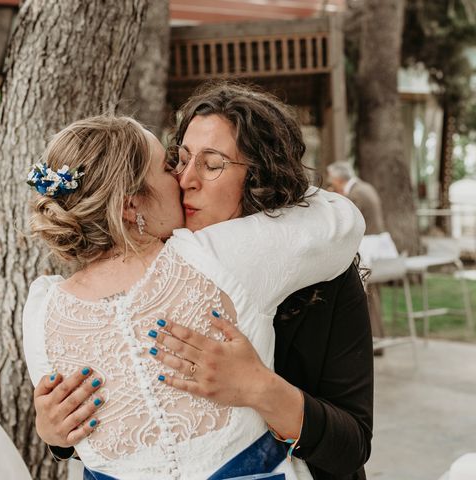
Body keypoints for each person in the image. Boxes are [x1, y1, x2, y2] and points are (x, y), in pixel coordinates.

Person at [23, 108, 364, 478]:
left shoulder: (42, 311)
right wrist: (57, 435)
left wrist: (260, 388)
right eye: (173, 163)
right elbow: (341, 220)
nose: (183, 179)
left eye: (212, 164)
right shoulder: (214, 259)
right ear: (130, 204)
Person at [327, 161, 386, 344]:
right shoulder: (365, 187)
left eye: (331, 180)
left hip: (367, 250)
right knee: (372, 295)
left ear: (337, 179)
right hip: (379, 249)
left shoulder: (355, 194)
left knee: (364, 294)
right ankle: (376, 336)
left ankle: (370, 338)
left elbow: (349, 225)